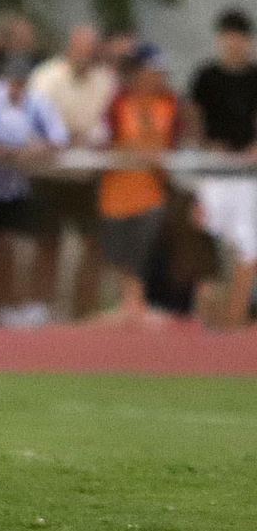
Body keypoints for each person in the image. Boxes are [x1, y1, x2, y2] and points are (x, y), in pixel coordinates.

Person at [0, 58, 67, 323]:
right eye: (13, 81)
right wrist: (15, 152)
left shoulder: (36, 102)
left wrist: (34, 150)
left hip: (19, 187)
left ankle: (24, 303)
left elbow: (58, 138)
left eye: (22, 82)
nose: (17, 87)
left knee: (32, 242)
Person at [28, 24, 115, 315]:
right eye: (80, 49)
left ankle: (83, 311)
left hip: (87, 175)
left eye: (90, 51)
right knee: (47, 244)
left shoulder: (105, 80)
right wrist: (64, 135)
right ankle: (41, 310)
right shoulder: (46, 77)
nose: (85, 56)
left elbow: (107, 123)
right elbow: (36, 120)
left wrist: (89, 136)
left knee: (92, 244)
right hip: (49, 174)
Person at [94, 46, 178, 327]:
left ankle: (137, 303)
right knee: (120, 251)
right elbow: (102, 139)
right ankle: (126, 303)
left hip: (151, 190)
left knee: (143, 250)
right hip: (118, 191)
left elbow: (174, 143)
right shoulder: (118, 103)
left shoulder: (169, 103)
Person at [186, 9, 257, 327]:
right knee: (209, 246)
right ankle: (210, 321)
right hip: (214, 173)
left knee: (247, 247)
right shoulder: (206, 76)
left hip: (247, 175)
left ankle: (236, 316)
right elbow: (193, 119)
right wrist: (205, 145)